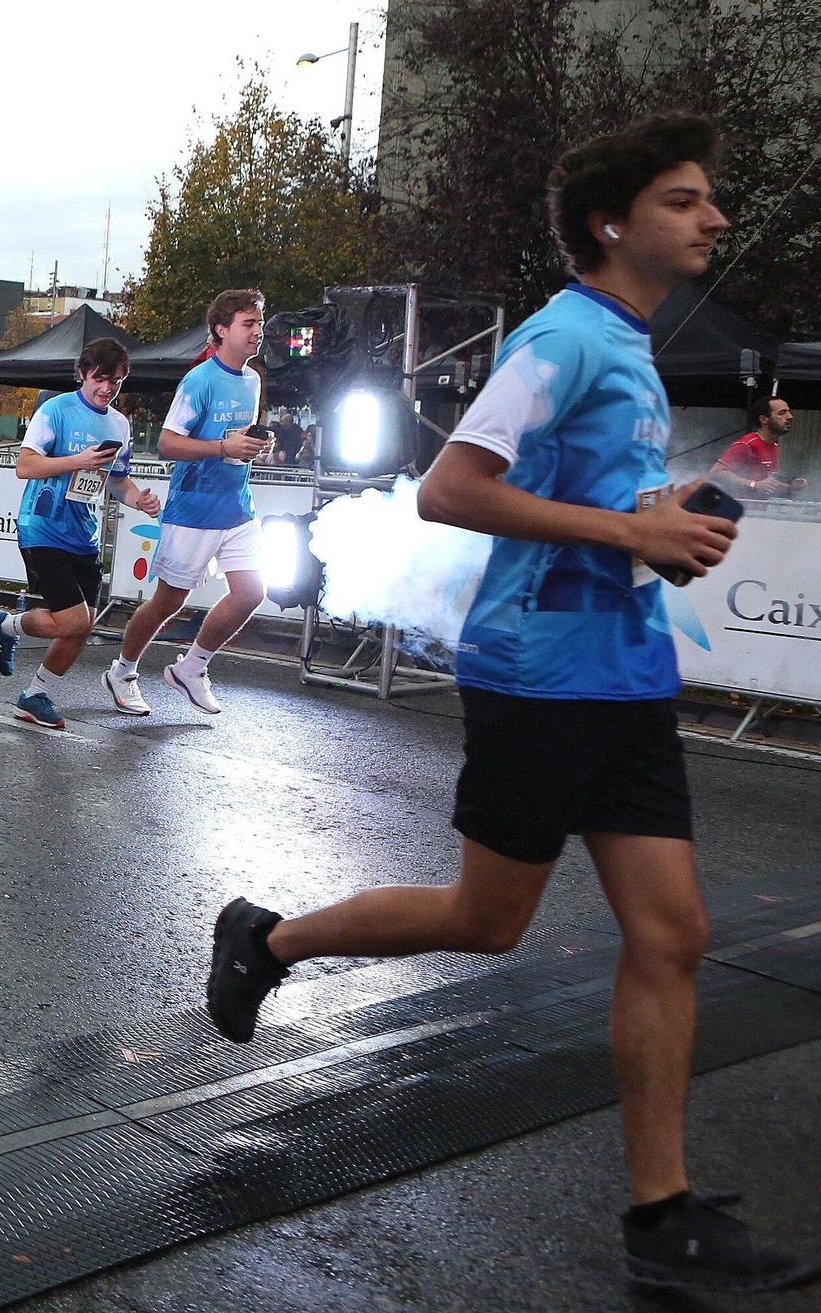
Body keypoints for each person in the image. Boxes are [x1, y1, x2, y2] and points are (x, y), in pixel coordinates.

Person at [204, 114, 817, 1293]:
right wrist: (629, 532)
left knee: (673, 934)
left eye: (707, 198)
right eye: (683, 199)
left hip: (626, 672)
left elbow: (611, 512)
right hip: (538, 676)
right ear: (610, 223)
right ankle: (265, 938)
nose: (713, 217)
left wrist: (680, 510)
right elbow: (449, 488)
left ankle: (661, 1217)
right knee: (485, 920)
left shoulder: (628, 348)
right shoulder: (561, 339)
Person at [103, 289, 270, 718]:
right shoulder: (199, 380)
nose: (257, 331)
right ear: (222, 330)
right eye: (248, 324)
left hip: (238, 507)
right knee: (169, 601)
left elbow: (236, 439)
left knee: (252, 592)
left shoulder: (253, 380)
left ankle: (192, 667)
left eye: (259, 323)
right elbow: (167, 443)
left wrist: (253, 447)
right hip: (194, 509)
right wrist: (223, 448)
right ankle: (122, 671)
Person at [0, 339, 161, 728]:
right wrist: (77, 460)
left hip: (84, 533)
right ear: (82, 373)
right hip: (43, 526)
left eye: (116, 381)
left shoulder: (119, 424)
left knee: (82, 627)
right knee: (74, 622)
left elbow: (117, 480)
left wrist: (139, 500)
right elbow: (25, 466)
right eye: (100, 379)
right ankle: (7, 627)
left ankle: (33, 693)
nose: (107, 388)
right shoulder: (56, 410)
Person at [711, 396, 804, 497]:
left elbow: (766, 483)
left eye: (788, 412)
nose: (790, 416)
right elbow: (716, 472)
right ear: (763, 419)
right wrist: (753, 484)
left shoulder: (774, 446)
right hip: (737, 505)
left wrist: (791, 486)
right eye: (782, 413)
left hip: (756, 506)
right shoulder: (746, 444)